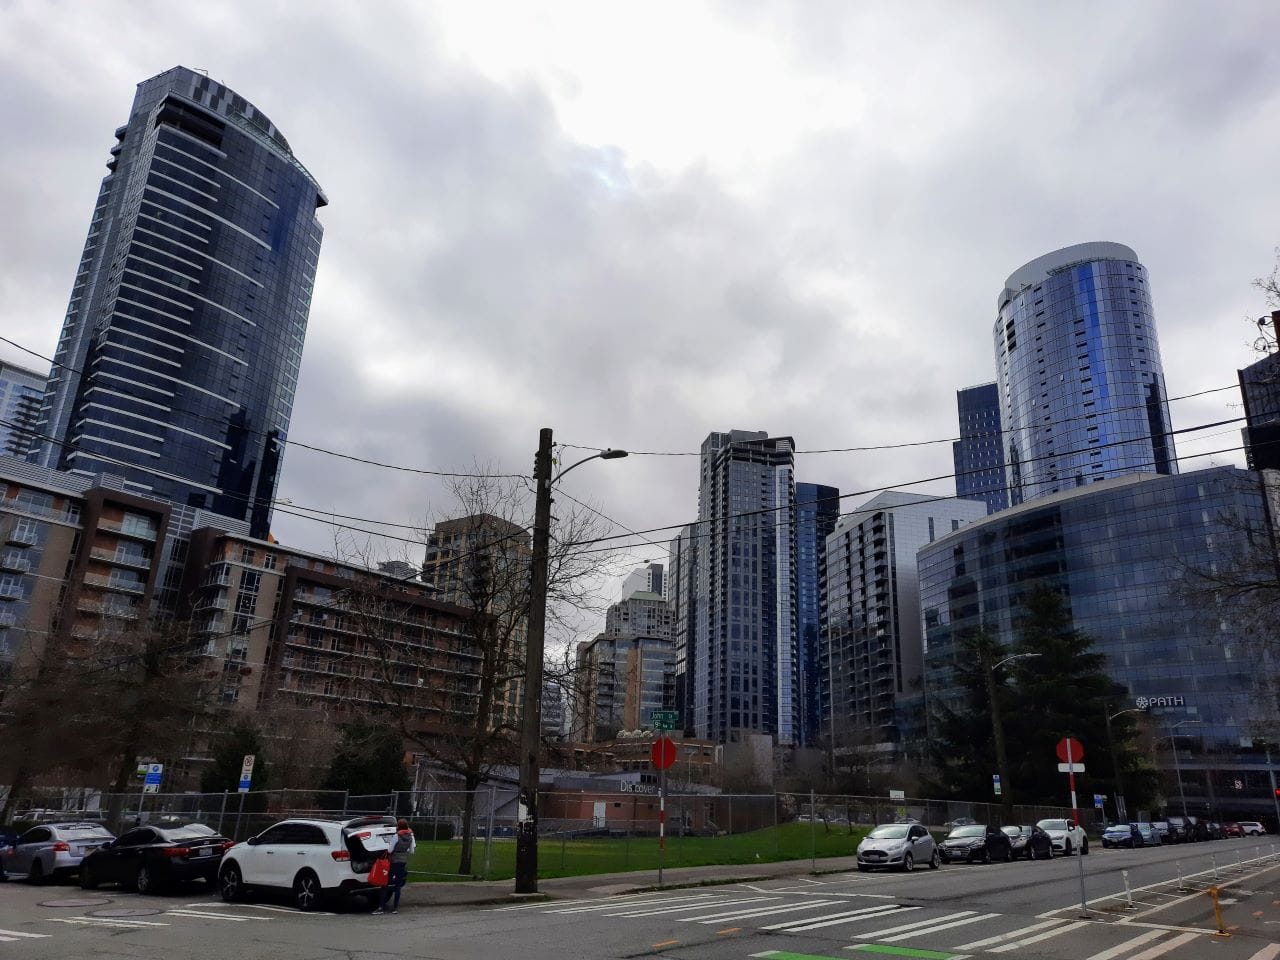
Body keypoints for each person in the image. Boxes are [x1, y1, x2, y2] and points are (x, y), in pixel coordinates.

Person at [372, 819, 414, 914]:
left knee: (385, 884)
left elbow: (390, 850)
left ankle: (380, 908)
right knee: (398, 886)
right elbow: (412, 851)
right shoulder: (410, 836)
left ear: (398, 826)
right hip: (403, 862)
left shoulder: (396, 836)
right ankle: (395, 908)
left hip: (393, 861)